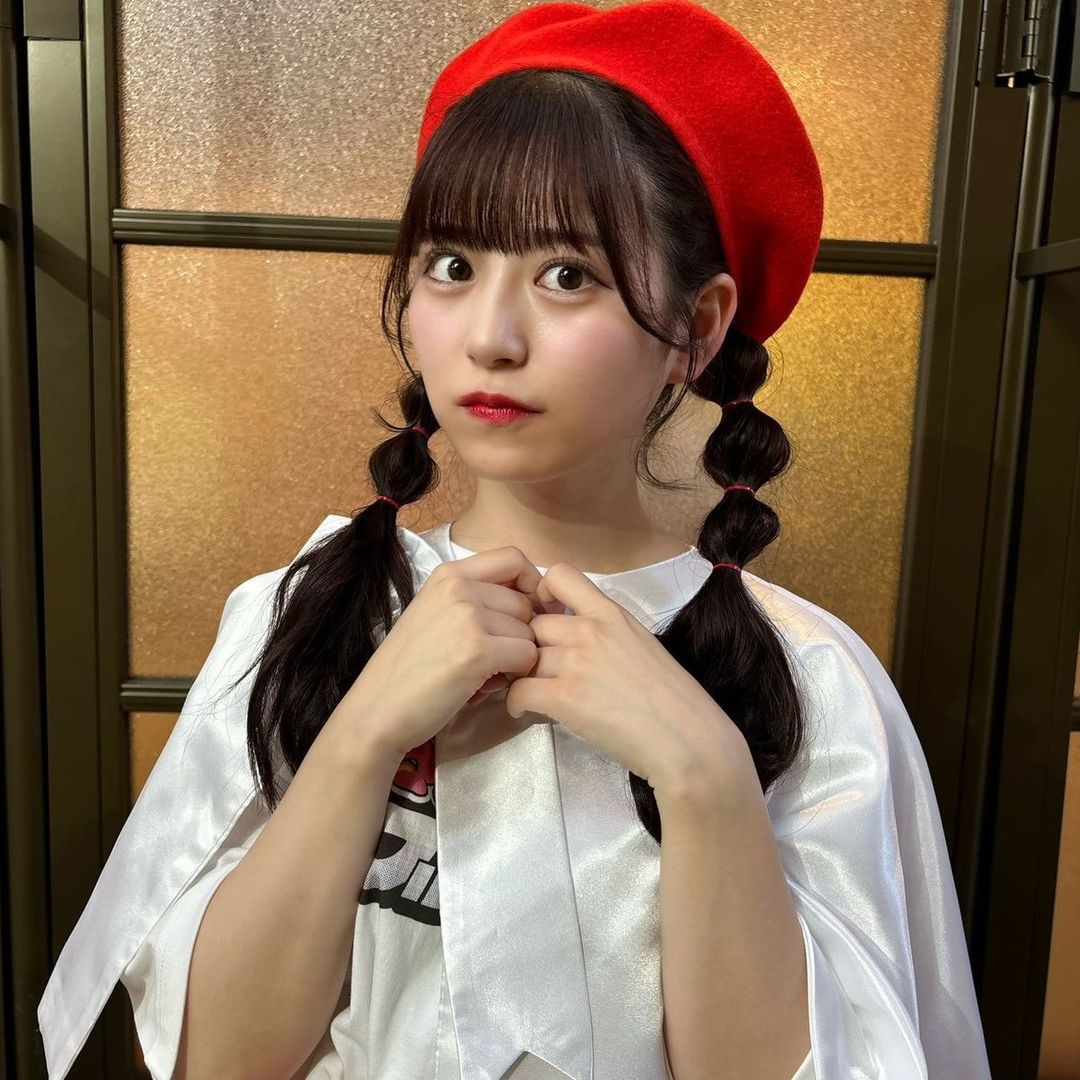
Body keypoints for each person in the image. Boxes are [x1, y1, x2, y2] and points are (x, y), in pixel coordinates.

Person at [37, 2, 994, 1078]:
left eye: (567, 275)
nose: (490, 337)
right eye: (452, 264)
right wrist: (363, 736)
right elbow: (219, 1061)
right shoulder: (297, 616)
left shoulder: (811, 681)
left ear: (698, 326)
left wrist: (705, 778)